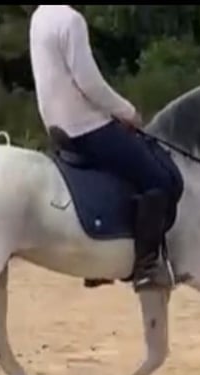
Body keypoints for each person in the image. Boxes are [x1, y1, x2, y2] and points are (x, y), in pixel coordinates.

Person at [28, 4, 180, 292]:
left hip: (58, 128)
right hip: (85, 127)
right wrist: (126, 111)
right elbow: (89, 83)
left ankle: (100, 260)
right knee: (160, 178)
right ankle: (147, 267)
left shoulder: (40, 16)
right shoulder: (71, 20)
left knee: (115, 174)